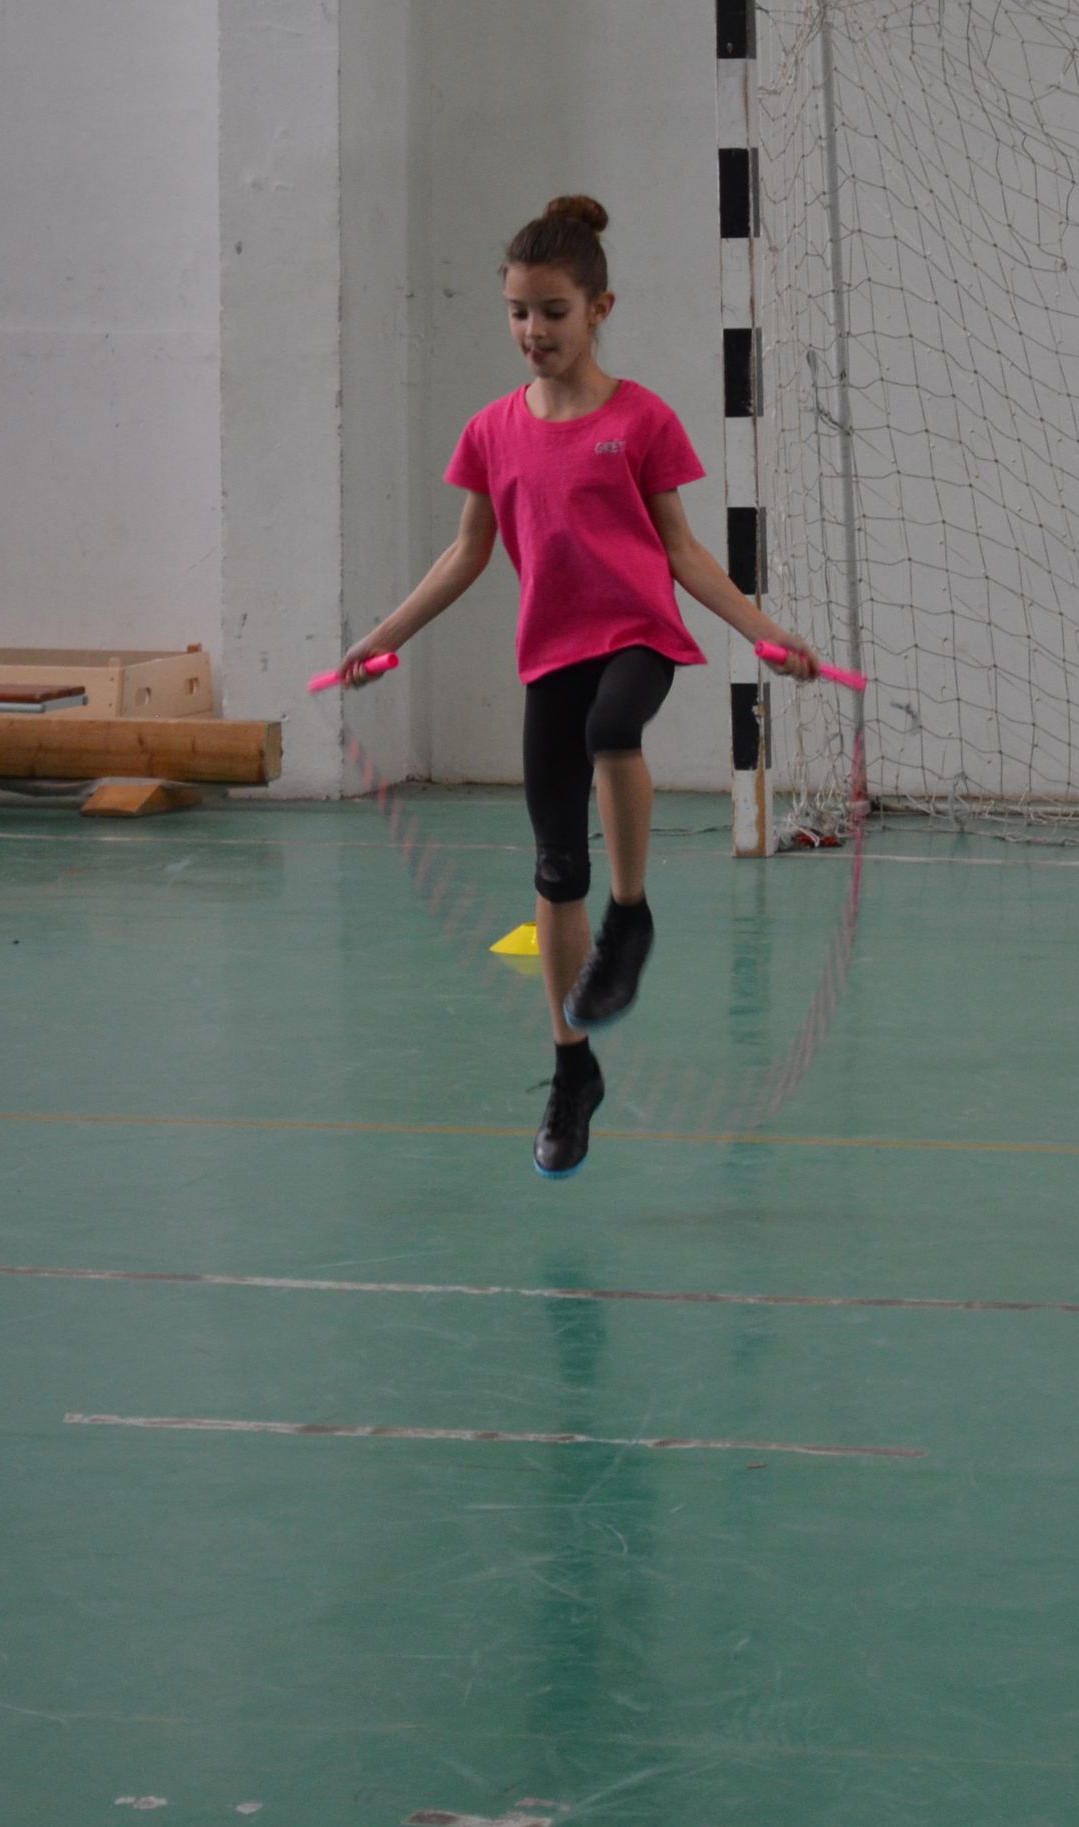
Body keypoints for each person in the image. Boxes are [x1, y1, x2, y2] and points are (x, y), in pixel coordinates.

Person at [331, 194, 821, 1178]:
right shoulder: (490, 431)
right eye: (517, 312)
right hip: (548, 656)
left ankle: (630, 917)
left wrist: (763, 632)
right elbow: (466, 554)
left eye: (552, 311)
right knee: (555, 872)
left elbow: (683, 551)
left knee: (613, 730)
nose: (533, 330)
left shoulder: (640, 419)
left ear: (599, 309)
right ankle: (572, 1070)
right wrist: (383, 636)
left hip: (635, 635)